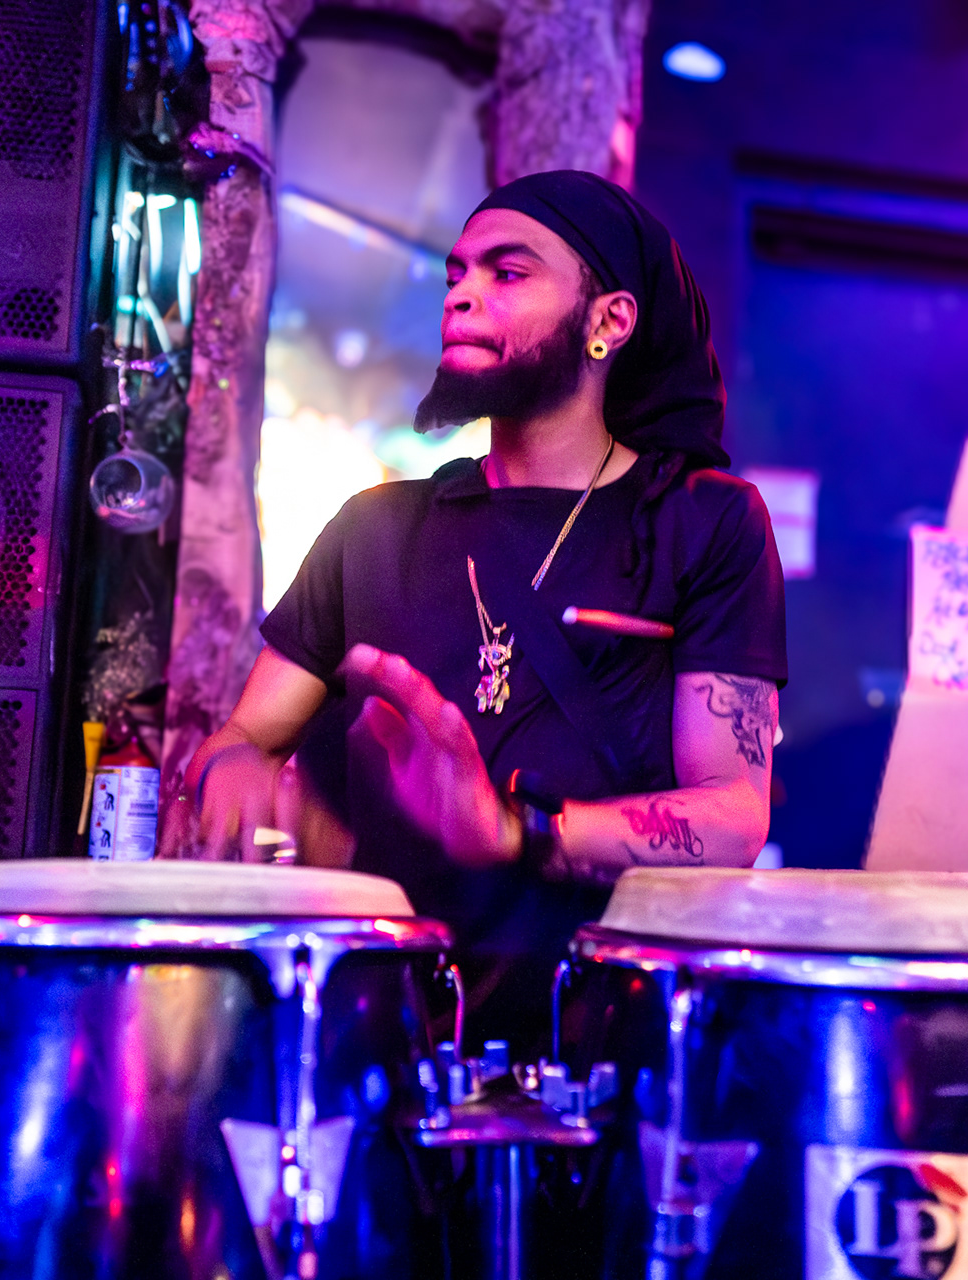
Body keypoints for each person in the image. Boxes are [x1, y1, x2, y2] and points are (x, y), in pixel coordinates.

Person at [183, 170, 787, 1050]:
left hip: (609, 1039)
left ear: (611, 321)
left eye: (507, 273)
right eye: (456, 273)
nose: (462, 293)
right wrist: (232, 768)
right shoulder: (373, 529)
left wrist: (515, 831)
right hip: (384, 1037)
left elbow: (733, 815)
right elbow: (245, 737)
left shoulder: (703, 521)